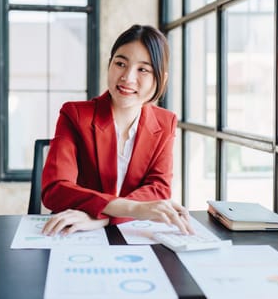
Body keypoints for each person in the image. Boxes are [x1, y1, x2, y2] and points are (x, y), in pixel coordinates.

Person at [41, 24, 193, 236]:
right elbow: (55, 190)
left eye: (143, 69)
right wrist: (132, 208)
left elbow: (158, 189)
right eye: (120, 63)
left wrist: (101, 219)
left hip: (127, 233)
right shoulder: (74, 115)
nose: (127, 78)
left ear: (161, 79)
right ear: (109, 65)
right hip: (75, 234)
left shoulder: (165, 122)